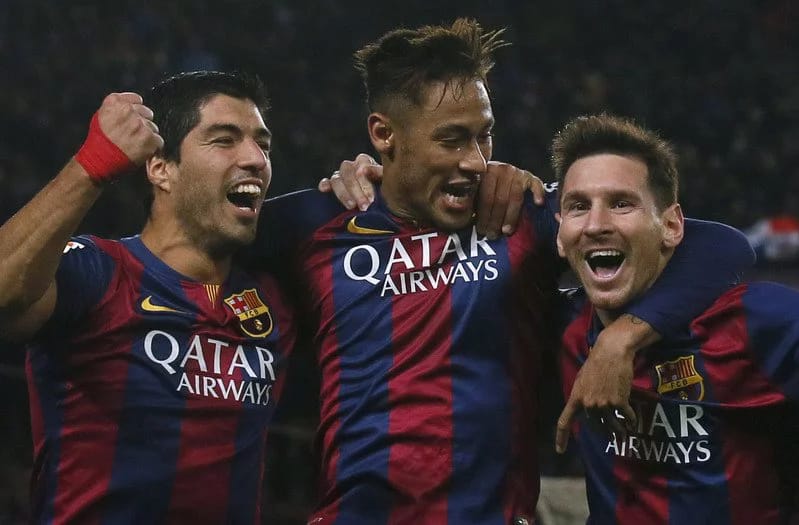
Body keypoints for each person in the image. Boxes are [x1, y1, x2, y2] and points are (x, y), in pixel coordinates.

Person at [255, 19, 753, 524]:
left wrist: (622, 339)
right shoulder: (316, 224)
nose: (475, 161)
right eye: (452, 140)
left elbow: (722, 246)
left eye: (485, 135)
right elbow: (198, 234)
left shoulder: (519, 216)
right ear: (384, 134)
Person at [555, 114, 799, 524]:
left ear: (670, 226)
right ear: (560, 234)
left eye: (621, 203)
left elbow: (726, 244)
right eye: (579, 206)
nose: (596, 224)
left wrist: (621, 339)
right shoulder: (561, 329)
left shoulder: (759, 321)